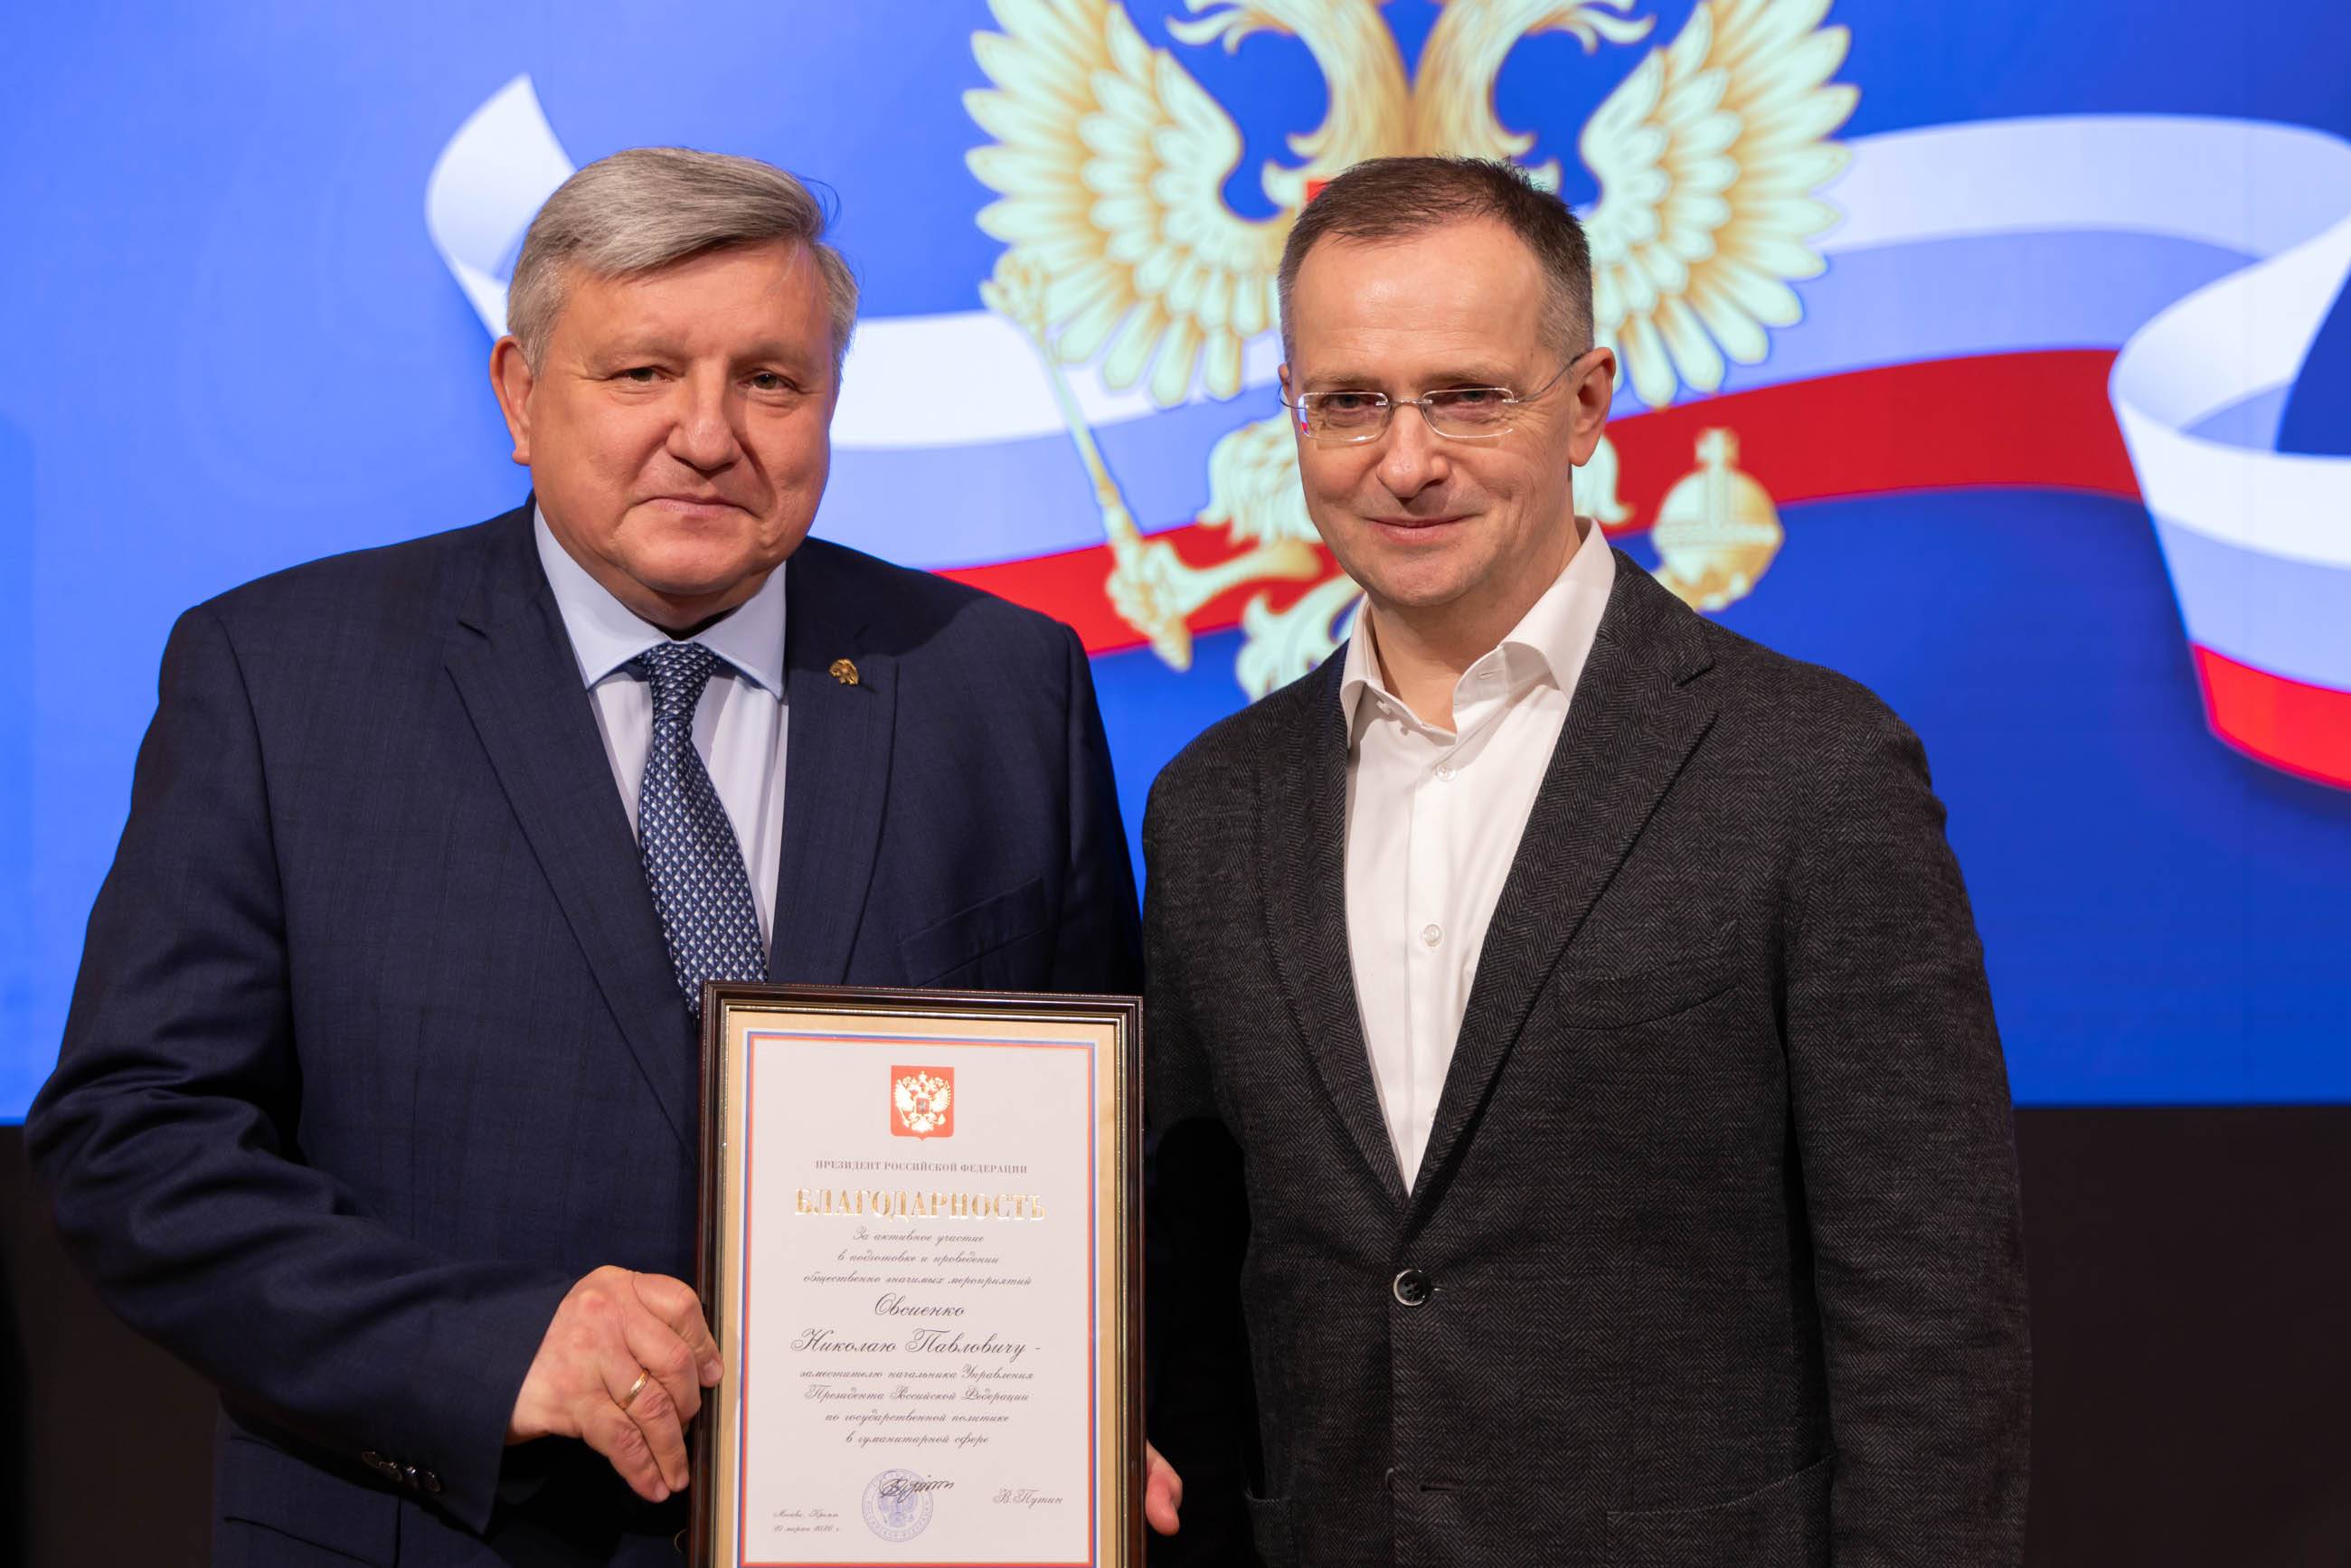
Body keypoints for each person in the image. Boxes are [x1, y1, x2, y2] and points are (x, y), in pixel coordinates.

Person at [28, 147, 1139, 1565]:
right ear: (518, 394)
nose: (707, 434)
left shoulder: (1001, 682)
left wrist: (1091, 1414)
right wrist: (488, 1348)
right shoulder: (281, 676)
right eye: (642, 373)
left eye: (771, 380)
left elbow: (1112, 1156)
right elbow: (137, 1139)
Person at [1138, 156, 2029, 1566]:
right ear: (1293, 409)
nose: (1406, 459)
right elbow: (1191, 1279)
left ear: (1588, 401)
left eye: (1467, 395)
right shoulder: (1211, 808)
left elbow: (1930, 1309)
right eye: (1351, 401)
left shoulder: (1814, 770)